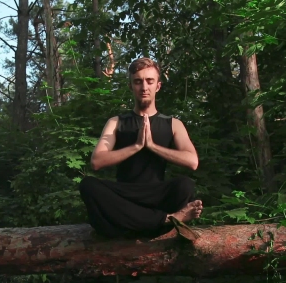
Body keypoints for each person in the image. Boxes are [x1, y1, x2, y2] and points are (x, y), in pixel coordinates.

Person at [79, 57, 203, 240]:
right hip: (124, 196)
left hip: (156, 196)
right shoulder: (117, 122)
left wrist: (152, 146)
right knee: (88, 185)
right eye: (138, 82)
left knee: (185, 185)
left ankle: (149, 222)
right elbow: (97, 162)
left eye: (149, 81)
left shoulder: (173, 124)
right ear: (131, 86)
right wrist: (137, 145)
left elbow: (192, 162)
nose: (144, 87)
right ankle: (168, 220)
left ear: (158, 86)